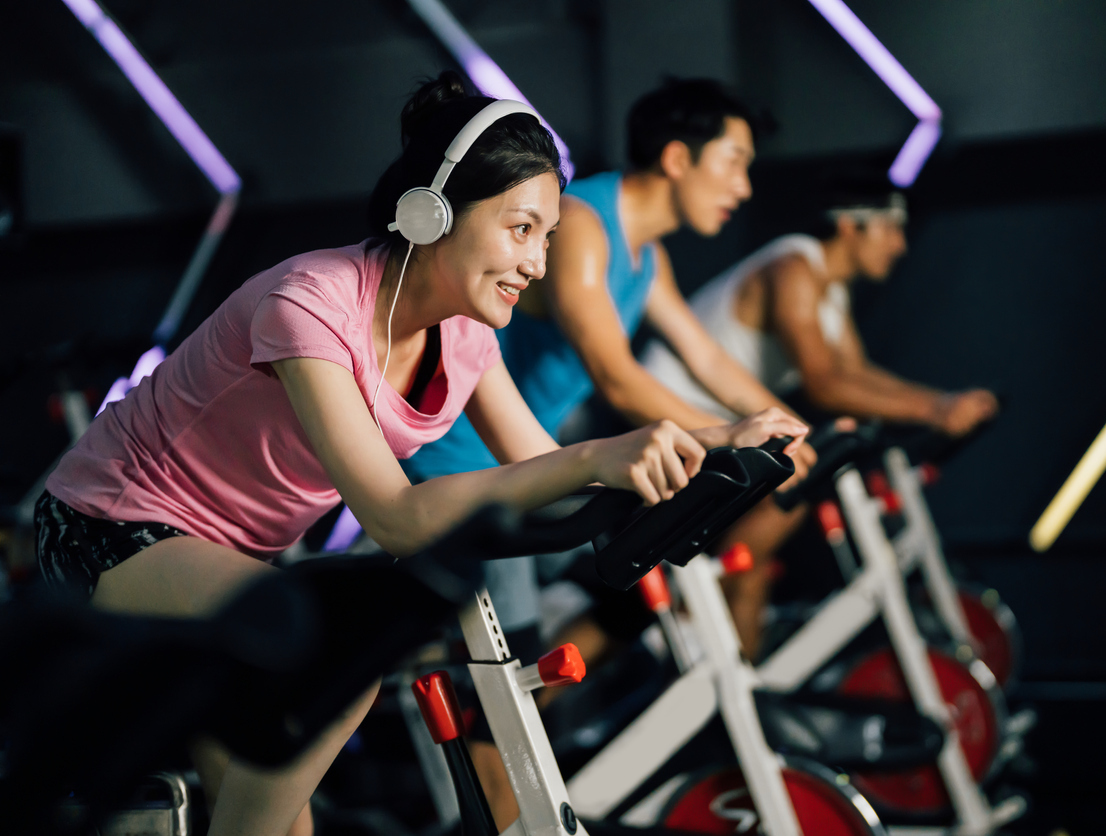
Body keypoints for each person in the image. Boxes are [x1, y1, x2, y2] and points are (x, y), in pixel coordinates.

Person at [33, 72, 795, 836]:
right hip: (109, 528)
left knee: (281, 817)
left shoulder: (467, 333)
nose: (536, 263)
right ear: (431, 213)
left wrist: (711, 445)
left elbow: (540, 462)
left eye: (548, 237)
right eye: (520, 229)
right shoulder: (310, 303)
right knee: (339, 647)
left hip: (238, 564)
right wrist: (596, 460)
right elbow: (397, 517)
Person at [404, 77, 814, 668]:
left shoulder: (649, 257)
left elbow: (707, 359)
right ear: (677, 158)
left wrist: (788, 430)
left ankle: (553, 731)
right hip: (466, 463)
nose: (743, 187)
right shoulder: (584, 229)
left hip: (530, 458)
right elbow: (615, 376)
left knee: (638, 592)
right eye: (734, 162)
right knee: (508, 672)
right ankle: (494, 739)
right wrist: (726, 438)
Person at [643, 189, 999, 431]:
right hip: (663, 405)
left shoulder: (833, 290)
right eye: (890, 228)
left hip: (718, 411)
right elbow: (824, 385)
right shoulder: (794, 267)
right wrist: (935, 412)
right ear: (847, 225)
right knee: (789, 492)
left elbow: (853, 372)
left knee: (798, 486)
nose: (899, 245)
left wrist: (945, 401)